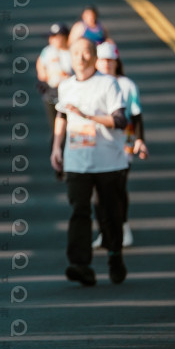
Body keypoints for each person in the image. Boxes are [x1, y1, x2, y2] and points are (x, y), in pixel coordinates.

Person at [50, 37, 128, 286]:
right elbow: (62, 116)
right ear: (70, 58)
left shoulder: (108, 84)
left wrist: (88, 116)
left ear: (94, 57)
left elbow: (120, 120)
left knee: (109, 213)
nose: (81, 58)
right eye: (76, 53)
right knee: (79, 210)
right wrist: (56, 147)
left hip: (108, 161)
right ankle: (80, 265)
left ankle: (115, 255)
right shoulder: (66, 86)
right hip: (77, 160)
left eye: (86, 53)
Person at [92, 42, 149, 249]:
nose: (106, 64)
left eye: (110, 60)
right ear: (95, 62)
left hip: (123, 143)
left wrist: (140, 140)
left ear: (117, 62)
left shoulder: (127, 85)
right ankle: (104, 232)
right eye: (102, 60)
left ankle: (123, 228)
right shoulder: (90, 84)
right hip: (97, 143)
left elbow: (136, 115)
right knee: (98, 192)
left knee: (118, 187)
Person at [36, 22, 73, 136]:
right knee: (55, 128)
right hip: (51, 92)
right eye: (51, 37)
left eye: (55, 37)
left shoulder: (72, 52)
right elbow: (40, 64)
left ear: (64, 37)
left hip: (68, 93)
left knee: (69, 125)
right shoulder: (48, 51)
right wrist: (44, 74)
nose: (51, 40)